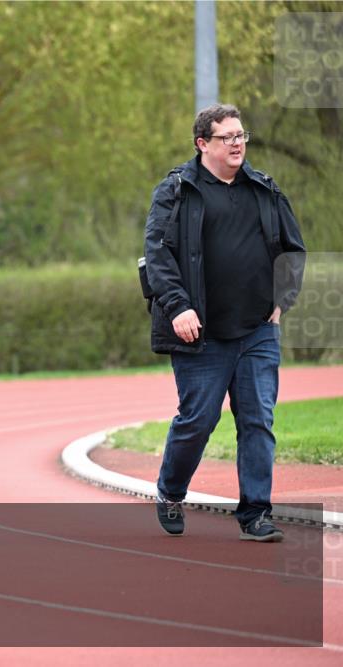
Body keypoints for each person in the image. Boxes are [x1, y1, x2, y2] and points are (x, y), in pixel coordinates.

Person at [143, 104, 305, 542]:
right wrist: (178, 307)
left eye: (241, 135)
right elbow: (158, 255)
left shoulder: (264, 188)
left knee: (257, 421)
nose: (237, 144)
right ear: (203, 143)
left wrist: (282, 300)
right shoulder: (176, 191)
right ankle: (171, 492)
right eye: (227, 137)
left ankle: (255, 514)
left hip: (257, 330)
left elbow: (293, 249)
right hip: (201, 334)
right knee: (198, 420)